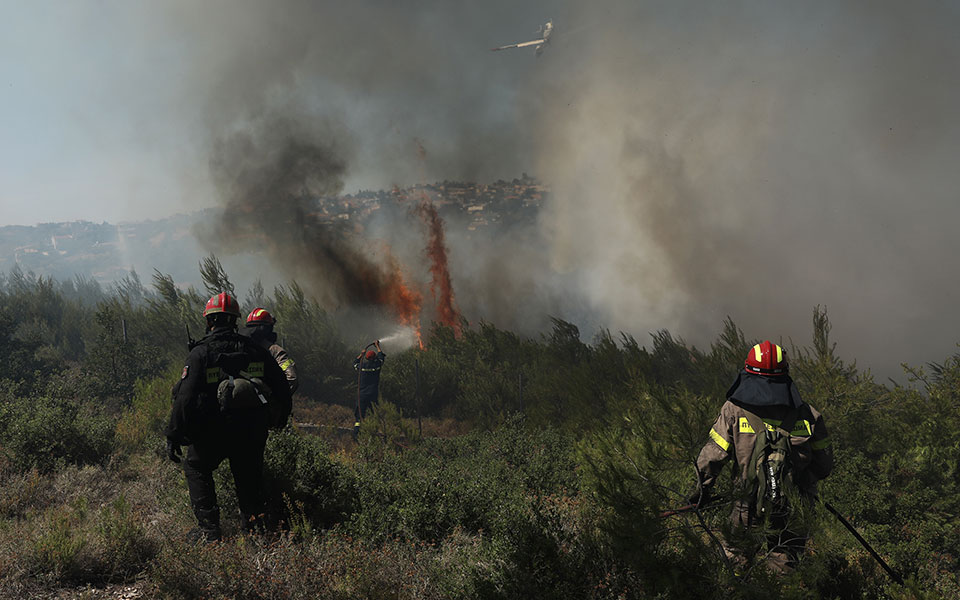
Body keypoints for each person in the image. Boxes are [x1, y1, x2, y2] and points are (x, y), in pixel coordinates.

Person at [690, 340, 833, 572]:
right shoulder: (808, 415)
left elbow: (711, 458)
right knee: (785, 575)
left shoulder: (733, 411)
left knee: (734, 570)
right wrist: (797, 487)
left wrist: (699, 494)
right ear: (785, 375)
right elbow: (825, 466)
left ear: (748, 373)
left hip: (746, 506)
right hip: (793, 509)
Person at [164, 292, 293, 542]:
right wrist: (279, 419)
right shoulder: (256, 350)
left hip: (211, 431)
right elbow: (281, 386)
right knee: (249, 476)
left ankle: (209, 530)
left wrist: (174, 435)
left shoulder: (200, 354)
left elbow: (185, 397)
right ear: (235, 320)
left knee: (196, 466)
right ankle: (254, 532)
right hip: (250, 431)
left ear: (209, 321)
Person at [244, 307, 298, 395]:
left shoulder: (238, 347)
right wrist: (277, 398)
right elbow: (292, 377)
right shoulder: (275, 350)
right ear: (268, 329)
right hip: (266, 405)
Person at [352, 341, 385, 439]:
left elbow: (354, 363)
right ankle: (373, 436)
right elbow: (381, 358)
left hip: (362, 395)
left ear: (366, 358)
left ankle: (356, 436)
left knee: (359, 417)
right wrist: (378, 346)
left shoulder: (362, 366)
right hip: (373, 395)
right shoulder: (377, 366)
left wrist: (361, 355)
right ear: (374, 358)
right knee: (374, 415)